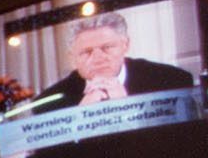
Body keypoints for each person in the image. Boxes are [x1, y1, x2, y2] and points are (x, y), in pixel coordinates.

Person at [33, 12, 195, 113]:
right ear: (72, 57)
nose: (98, 58)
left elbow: (183, 144)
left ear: (126, 45)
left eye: (107, 47)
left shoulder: (172, 81)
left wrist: (129, 108)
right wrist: (79, 118)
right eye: (86, 52)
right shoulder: (48, 103)